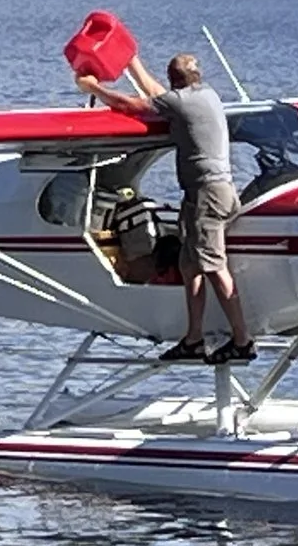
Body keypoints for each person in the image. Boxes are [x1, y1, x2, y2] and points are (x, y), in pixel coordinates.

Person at [78, 51, 256, 365]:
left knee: (214, 266)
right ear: (196, 77)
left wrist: (93, 88)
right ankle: (194, 338)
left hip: (207, 195)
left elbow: (131, 106)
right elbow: (157, 93)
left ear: (175, 81)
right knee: (190, 265)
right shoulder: (207, 95)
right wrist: (130, 61)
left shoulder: (180, 102)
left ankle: (242, 341)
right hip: (206, 194)